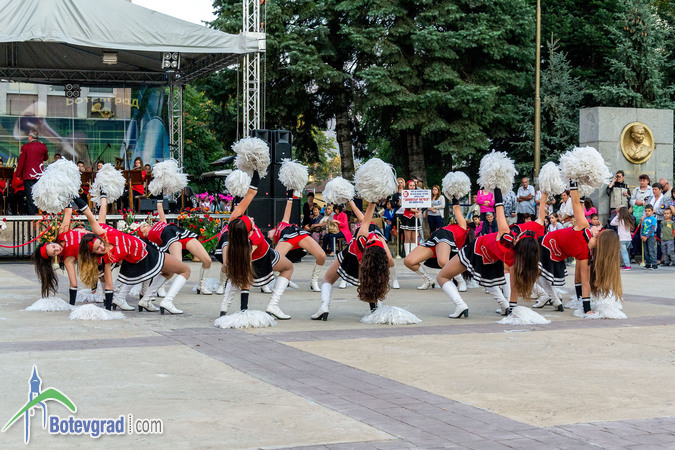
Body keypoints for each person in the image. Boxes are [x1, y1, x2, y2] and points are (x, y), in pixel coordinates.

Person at [436, 188, 541, 318]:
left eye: (521, 235)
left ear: (519, 242)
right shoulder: (516, 260)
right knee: (488, 280)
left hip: (476, 249)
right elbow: (514, 286)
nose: (519, 234)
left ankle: (460, 305)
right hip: (490, 257)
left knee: (442, 277)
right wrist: (513, 309)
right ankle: (505, 306)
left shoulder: (504, 234)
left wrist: (497, 186)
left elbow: (499, 208)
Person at [77, 195, 191, 314]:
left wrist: (102, 196)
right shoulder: (107, 258)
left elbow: (94, 211)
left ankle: (145, 300)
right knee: (185, 270)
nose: (102, 247)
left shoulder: (102, 231)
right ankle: (167, 301)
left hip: (144, 250)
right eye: (97, 248)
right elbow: (109, 286)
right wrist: (108, 312)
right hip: (146, 256)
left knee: (168, 272)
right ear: (93, 252)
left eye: (100, 243)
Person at [220, 171, 295, 319]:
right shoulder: (254, 241)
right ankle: (272, 305)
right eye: (252, 222)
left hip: (248, 255)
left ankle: (224, 308)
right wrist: (244, 308)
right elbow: (245, 276)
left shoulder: (234, 222)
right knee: (288, 267)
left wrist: (256, 172)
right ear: (249, 232)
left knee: (235, 276)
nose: (252, 218)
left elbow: (251, 193)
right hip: (263, 257)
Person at [311, 200, 395, 320]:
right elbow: (390, 260)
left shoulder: (363, 231)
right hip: (368, 259)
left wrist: (371, 201)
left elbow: (366, 214)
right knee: (371, 280)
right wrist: (380, 268)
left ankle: (324, 307)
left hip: (352, 253)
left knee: (327, 280)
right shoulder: (379, 239)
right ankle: (375, 307)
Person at [538, 182, 600, 315]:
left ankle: (552, 298)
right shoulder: (583, 226)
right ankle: (552, 298)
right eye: (598, 229)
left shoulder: (586, 256)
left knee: (536, 274)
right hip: (543, 242)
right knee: (531, 271)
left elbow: (584, 281)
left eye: (599, 232)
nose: (597, 229)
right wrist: (574, 184)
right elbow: (577, 205)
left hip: (553, 253)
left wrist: (587, 308)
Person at [136, 199, 213, 298]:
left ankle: (201, 285)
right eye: (143, 227)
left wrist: (159, 200)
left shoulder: (159, 223)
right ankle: (160, 287)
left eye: (145, 224)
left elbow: (161, 212)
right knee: (177, 265)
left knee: (207, 260)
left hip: (181, 234)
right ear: (144, 234)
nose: (146, 224)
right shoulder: (150, 236)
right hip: (170, 238)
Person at [404, 196, 473, 290]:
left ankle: (460, 281)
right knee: (409, 261)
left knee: (443, 261)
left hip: (445, 238)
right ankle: (428, 280)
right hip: (434, 240)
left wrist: (454, 196)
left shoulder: (463, 228)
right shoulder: (450, 227)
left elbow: (456, 208)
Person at [33, 206, 94, 304]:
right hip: (101, 249)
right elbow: (73, 283)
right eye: (54, 252)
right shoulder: (67, 259)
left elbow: (68, 212)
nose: (57, 249)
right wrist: (71, 305)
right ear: (54, 256)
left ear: (51, 242)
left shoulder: (62, 233)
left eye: (54, 246)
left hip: (98, 231)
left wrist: (66, 199)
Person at [268, 192, 326, 292]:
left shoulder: (283, 223)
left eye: (268, 233)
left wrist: (290, 194)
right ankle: (283, 281)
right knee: (274, 262)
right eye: (268, 236)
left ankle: (314, 281)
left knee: (322, 255)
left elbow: (288, 207)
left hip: (299, 235)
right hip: (287, 241)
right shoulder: (279, 241)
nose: (268, 235)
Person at [15, 130, 48, 215]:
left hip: (28, 174)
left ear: (31, 137)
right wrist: (42, 146)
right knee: (38, 194)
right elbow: (46, 158)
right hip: (39, 174)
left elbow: (21, 161)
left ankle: (32, 214)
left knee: (30, 195)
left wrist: (18, 173)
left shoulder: (25, 147)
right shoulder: (43, 146)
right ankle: (39, 212)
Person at [400, 180, 422, 255]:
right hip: (407, 217)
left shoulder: (418, 194)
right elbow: (403, 204)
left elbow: (425, 203)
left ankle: (412, 255)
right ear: (408, 186)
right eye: (410, 185)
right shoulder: (405, 194)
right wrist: (411, 209)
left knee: (414, 238)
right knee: (407, 238)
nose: (412, 187)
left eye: (413, 185)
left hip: (415, 217)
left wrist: (419, 212)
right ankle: (407, 255)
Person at [610, 205, 635, 270]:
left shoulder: (620, 220)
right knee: (626, 252)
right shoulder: (628, 220)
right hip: (628, 239)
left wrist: (617, 216)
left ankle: (627, 265)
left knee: (624, 253)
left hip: (622, 239)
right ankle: (626, 264)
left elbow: (612, 223)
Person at [641, 204, 657, 269]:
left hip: (650, 237)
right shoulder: (645, 219)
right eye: (646, 211)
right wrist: (641, 235)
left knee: (651, 250)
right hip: (644, 237)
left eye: (649, 211)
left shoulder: (653, 219)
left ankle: (654, 263)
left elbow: (652, 229)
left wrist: (647, 237)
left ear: (652, 211)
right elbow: (642, 227)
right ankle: (648, 263)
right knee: (646, 251)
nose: (647, 212)